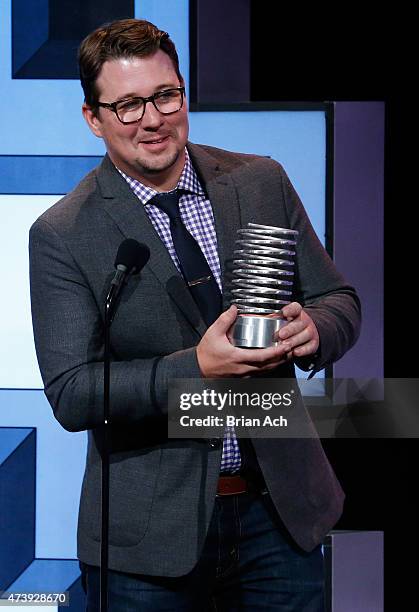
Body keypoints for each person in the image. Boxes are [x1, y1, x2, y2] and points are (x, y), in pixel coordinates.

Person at [29, 18, 361, 611]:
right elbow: (73, 392)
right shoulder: (63, 233)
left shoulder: (260, 180)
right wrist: (196, 368)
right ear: (93, 118)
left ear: (184, 93)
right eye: (128, 105)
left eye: (166, 95)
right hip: (148, 544)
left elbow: (340, 301)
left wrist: (316, 331)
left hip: (279, 516)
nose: (153, 119)